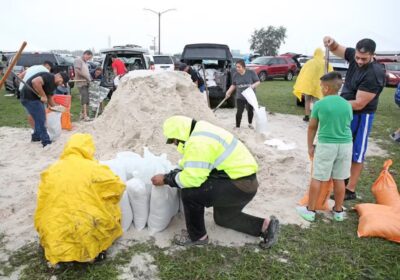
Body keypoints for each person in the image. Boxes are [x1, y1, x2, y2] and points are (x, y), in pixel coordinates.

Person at [151, 116, 280, 247]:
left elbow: (192, 179)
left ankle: (198, 237)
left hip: (238, 185)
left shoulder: (199, 143)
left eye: (174, 140)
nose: (174, 144)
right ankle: (266, 226)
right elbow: (190, 164)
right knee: (223, 218)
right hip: (245, 183)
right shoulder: (201, 132)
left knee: (190, 192)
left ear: (179, 134)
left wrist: (167, 179)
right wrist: (173, 173)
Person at [34, 133, 125, 264]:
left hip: (55, 232)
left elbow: (42, 200)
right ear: (88, 149)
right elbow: (118, 187)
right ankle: (96, 251)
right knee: (108, 209)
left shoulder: (52, 170)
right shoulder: (96, 169)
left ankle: (56, 247)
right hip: (86, 226)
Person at [323, 36, 385, 200]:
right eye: (357, 57)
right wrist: (331, 42)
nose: (359, 61)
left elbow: (358, 104)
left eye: (364, 58)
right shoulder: (353, 56)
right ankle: (340, 178)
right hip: (346, 112)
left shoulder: (374, 73)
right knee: (343, 147)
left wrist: (333, 102)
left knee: (357, 152)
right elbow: (337, 48)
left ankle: (350, 189)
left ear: (372, 55)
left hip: (362, 116)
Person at [296, 72, 353, 222]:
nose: (320, 89)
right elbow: (347, 124)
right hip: (346, 145)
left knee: (318, 177)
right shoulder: (347, 104)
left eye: (321, 86)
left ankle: (310, 210)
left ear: (327, 88)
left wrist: (310, 146)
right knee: (340, 179)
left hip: (327, 145)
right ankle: (338, 211)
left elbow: (312, 127)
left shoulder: (320, 104)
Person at [20, 71, 69, 147]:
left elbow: (50, 101)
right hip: (29, 98)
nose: (61, 84)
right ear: (59, 76)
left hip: (33, 99)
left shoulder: (53, 85)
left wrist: (62, 110)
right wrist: (43, 95)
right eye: (62, 82)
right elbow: (35, 82)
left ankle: (36, 137)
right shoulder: (49, 77)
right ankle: (46, 142)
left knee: (38, 118)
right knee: (41, 119)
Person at [293, 48, 333, 122]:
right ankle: (315, 118)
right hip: (319, 86)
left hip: (309, 86)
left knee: (307, 101)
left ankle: (307, 116)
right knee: (316, 103)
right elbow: (331, 74)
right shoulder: (326, 64)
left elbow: (303, 72)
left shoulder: (309, 62)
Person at [225, 59, 260, 129]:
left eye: (239, 67)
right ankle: (237, 126)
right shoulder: (235, 75)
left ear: (243, 67)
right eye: (236, 67)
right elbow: (234, 85)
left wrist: (252, 86)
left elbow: (258, 82)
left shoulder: (251, 72)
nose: (237, 68)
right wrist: (228, 92)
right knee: (239, 111)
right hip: (240, 96)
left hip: (250, 96)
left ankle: (250, 124)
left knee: (250, 110)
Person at [17, 61, 54, 128]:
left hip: (23, 91)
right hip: (31, 92)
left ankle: (34, 129)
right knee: (41, 111)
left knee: (30, 112)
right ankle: (40, 129)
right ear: (47, 66)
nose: (49, 70)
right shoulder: (46, 71)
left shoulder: (32, 67)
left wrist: (22, 86)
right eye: (49, 68)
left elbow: (19, 77)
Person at [74, 50, 93, 121]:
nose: (89, 59)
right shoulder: (78, 60)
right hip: (81, 82)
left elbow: (86, 72)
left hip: (86, 82)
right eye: (88, 57)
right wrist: (86, 77)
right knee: (84, 98)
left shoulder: (85, 62)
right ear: (85, 54)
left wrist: (89, 77)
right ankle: (85, 115)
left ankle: (82, 114)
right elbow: (77, 70)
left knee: (86, 98)